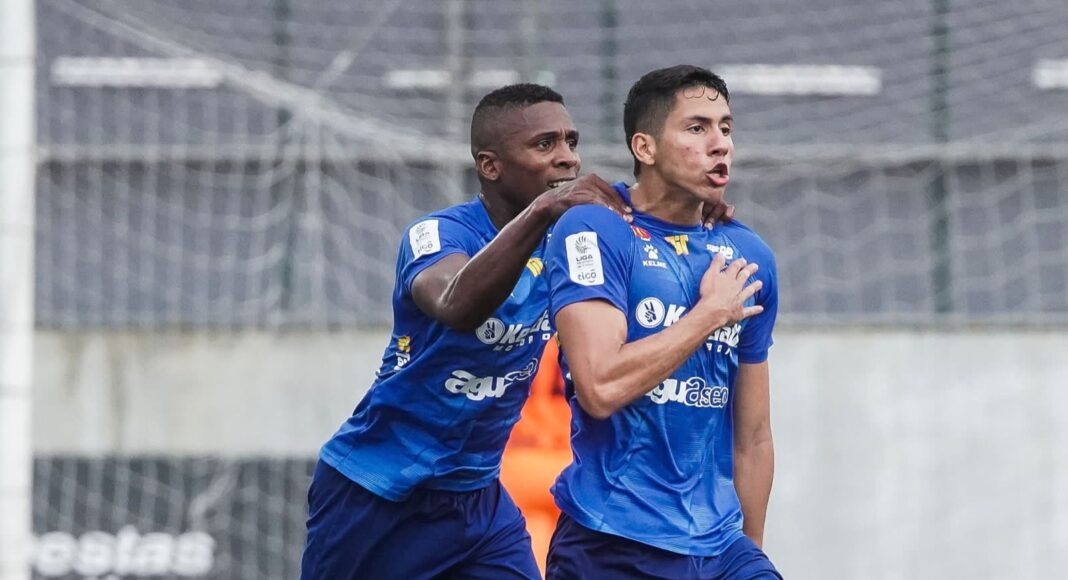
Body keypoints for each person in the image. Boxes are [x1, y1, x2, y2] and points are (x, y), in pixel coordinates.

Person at [543, 65, 782, 579]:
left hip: (720, 548)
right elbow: (600, 387)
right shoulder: (594, 230)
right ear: (645, 147)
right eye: (697, 128)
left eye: (726, 128)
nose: (720, 143)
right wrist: (709, 315)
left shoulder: (749, 255)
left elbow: (754, 436)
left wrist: (751, 554)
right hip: (613, 543)